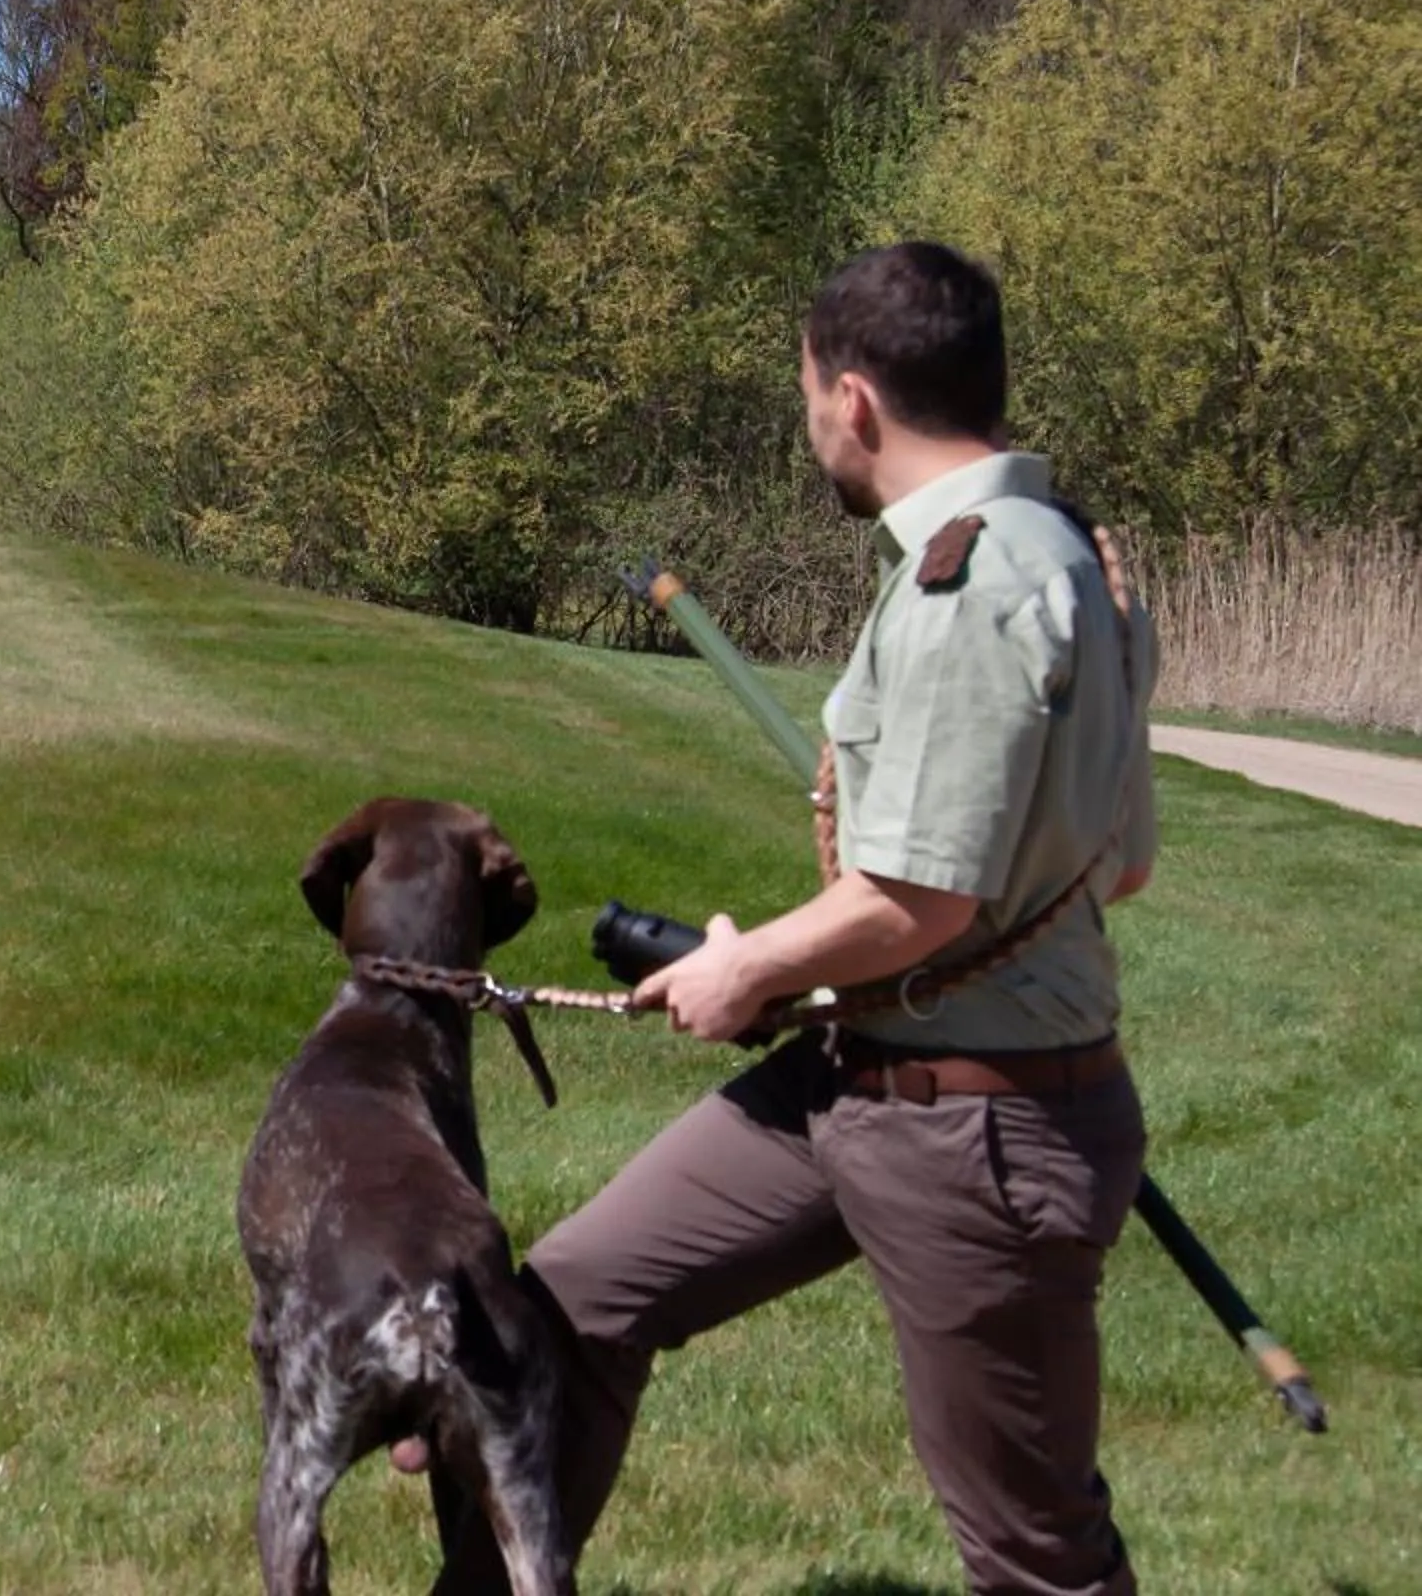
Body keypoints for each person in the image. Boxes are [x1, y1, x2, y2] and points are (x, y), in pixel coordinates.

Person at [448, 241, 1160, 1594]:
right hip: (861, 1084)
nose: (812, 432)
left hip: (980, 1134)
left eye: (806, 403)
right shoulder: (1082, 561)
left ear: (854, 401)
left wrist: (750, 968)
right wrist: (783, 973)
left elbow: (920, 898)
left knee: (1034, 1552)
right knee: (576, 1302)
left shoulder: (971, 586)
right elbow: (1116, 867)